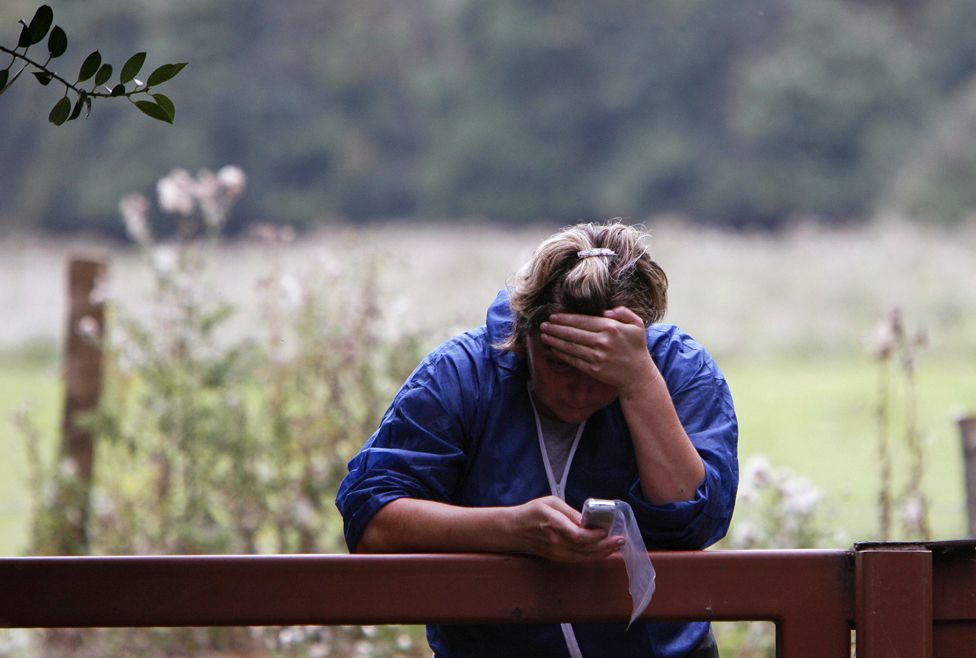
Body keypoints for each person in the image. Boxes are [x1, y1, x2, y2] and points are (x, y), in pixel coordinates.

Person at [336, 221, 738, 658]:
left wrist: (639, 381)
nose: (581, 389)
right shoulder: (461, 374)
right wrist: (510, 529)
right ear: (525, 335)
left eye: (600, 369)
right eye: (562, 364)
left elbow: (695, 521)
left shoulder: (678, 368)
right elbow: (372, 521)